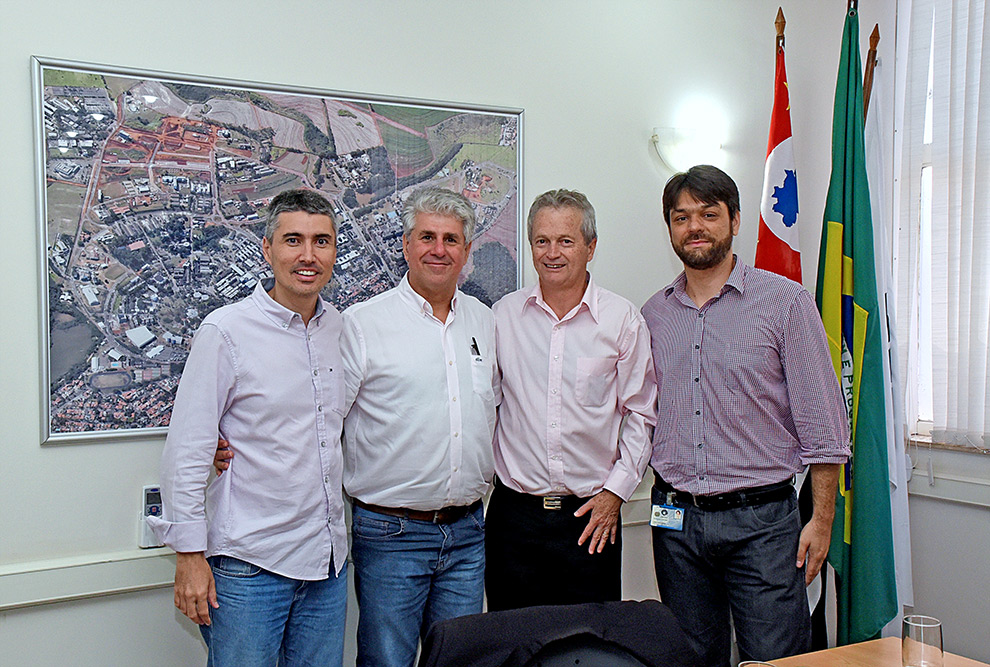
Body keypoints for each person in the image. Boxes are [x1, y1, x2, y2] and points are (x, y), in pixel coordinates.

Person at [641, 165, 850, 666]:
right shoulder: (652, 314)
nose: (695, 226)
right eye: (681, 216)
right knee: (691, 657)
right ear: (669, 227)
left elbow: (824, 426)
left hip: (762, 524)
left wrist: (821, 520)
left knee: (775, 657)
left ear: (735, 220)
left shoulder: (785, 304)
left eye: (708, 214)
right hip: (675, 523)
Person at [147, 189, 349, 666]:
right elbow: (189, 447)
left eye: (321, 242)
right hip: (249, 569)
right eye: (293, 239)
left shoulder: (339, 329)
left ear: (335, 251)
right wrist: (189, 556)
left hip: (327, 565)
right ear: (267, 248)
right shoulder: (227, 331)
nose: (307, 255)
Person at [341, 186, 498, 667]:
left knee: (460, 661)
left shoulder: (485, 321)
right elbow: (320, 422)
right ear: (406, 244)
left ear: (467, 252)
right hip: (392, 535)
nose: (439, 249)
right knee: (388, 662)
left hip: (469, 531)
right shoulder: (363, 325)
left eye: (452, 239)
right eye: (426, 236)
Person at [485, 189, 657, 611]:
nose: (552, 253)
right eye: (542, 241)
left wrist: (616, 494)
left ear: (590, 247)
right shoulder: (502, 316)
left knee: (588, 645)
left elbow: (641, 414)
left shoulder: (621, 319)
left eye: (566, 241)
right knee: (515, 645)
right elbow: (484, 406)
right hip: (514, 520)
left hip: (592, 519)